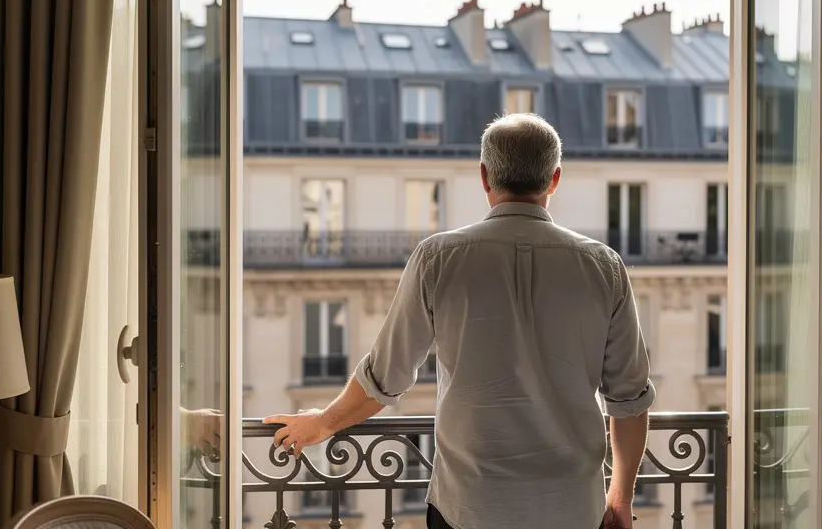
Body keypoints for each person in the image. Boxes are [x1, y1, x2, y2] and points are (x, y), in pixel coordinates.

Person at [265, 113, 655, 529]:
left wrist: (322, 423)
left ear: (484, 177)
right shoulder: (604, 266)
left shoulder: (438, 259)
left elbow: (384, 379)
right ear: (554, 180)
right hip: (573, 509)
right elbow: (629, 400)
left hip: (467, 508)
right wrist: (620, 498)